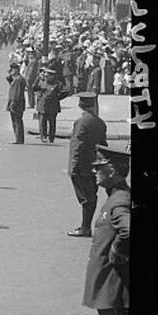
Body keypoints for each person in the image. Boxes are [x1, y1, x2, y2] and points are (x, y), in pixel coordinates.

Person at [81, 147, 131, 315]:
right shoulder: (116, 197)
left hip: (115, 289)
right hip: (110, 287)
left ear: (112, 171)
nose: (95, 171)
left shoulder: (119, 201)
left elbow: (129, 230)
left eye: (99, 167)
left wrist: (119, 252)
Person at [67, 92, 109, 238]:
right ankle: (85, 226)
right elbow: (103, 145)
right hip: (95, 165)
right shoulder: (100, 122)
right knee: (91, 195)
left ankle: (85, 228)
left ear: (81, 105)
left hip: (82, 166)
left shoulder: (81, 122)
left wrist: (73, 166)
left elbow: (77, 145)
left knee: (86, 198)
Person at [6, 58, 28, 144]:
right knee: (15, 121)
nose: (11, 71)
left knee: (17, 121)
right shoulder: (16, 78)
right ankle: (18, 138)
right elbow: (9, 79)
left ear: (17, 70)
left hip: (16, 103)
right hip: (15, 102)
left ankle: (18, 139)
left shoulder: (18, 79)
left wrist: (13, 103)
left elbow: (16, 93)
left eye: (13, 69)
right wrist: (10, 74)